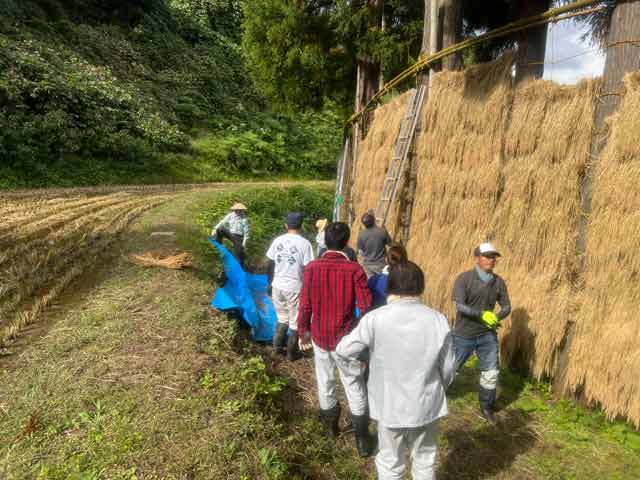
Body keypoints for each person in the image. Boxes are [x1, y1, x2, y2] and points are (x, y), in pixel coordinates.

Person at [337, 262, 456, 480]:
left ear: (389, 287)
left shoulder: (375, 318)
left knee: (390, 462)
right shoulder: (437, 320)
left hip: (388, 404)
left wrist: (358, 379)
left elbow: (343, 351)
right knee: (425, 459)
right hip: (426, 403)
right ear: (421, 286)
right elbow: (449, 367)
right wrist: (439, 386)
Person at [297, 222, 374, 456]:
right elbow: (366, 306)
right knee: (354, 384)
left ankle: (331, 430)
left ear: (325, 241)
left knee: (325, 381)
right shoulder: (355, 270)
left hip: (320, 336)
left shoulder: (311, 268)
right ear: (347, 241)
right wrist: (361, 333)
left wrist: (303, 331)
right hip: (346, 338)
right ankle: (362, 440)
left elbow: (305, 304)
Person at [452, 242, 511, 425]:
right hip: (464, 333)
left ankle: (486, 406)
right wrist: (480, 314)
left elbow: (507, 306)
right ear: (477, 258)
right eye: (487, 256)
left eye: (493, 257)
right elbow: (459, 305)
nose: (491, 260)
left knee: (491, 371)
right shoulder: (464, 279)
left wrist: (497, 316)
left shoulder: (498, 282)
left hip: (487, 334)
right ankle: (433, 394)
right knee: (450, 368)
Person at [266, 212, 314, 360]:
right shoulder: (305, 244)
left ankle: (276, 349)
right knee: (294, 322)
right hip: (294, 287)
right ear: (301, 226)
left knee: (281, 318)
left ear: (286, 225)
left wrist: (270, 282)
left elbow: (270, 263)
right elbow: (308, 269)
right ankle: (291, 354)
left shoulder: (277, 241)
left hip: (277, 285)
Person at [367, 244, 408, 308]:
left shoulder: (373, 280)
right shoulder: (409, 281)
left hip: (377, 315)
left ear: (386, 259)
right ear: (405, 260)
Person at [357, 211, 392, 277]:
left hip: (367, 266)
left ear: (363, 224)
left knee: (370, 285)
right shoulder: (382, 231)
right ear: (374, 221)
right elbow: (390, 244)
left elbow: (360, 252)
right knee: (381, 284)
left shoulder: (361, 235)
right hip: (381, 264)